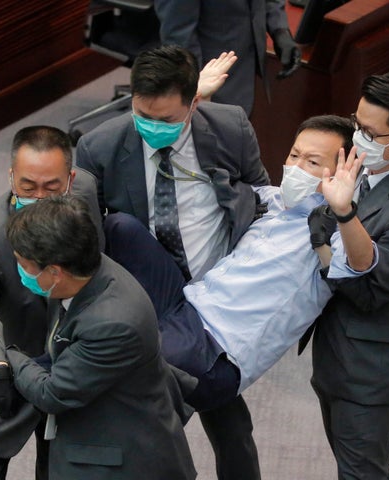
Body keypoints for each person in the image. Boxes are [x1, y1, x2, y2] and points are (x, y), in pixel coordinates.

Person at [76, 44, 269, 480]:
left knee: (231, 425)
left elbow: (261, 198)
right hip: (148, 304)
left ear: (194, 102)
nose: (150, 127)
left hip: (212, 303)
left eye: (164, 120)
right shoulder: (99, 147)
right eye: (141, 113)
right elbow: (90, 237)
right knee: (151, 422)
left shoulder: (231, 127)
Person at [105, 115, 361, 409]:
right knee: (119, 227)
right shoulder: (270, 198)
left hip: (213, 350)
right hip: (186, 304)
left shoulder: (335, 231)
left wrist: (343, 210)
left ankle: (53, 374)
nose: (296, 167)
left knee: (114, 358)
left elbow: (358, 269)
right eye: (294, 155)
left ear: (341, 172)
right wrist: (191, 105)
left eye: (312, 162)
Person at [0, 195, 196, 480]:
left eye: (23, 264)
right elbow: (58, 355)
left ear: (54, 271)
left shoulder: (112, 322)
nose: (20, 273)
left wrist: (7, 359)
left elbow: (51, 393)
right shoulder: (79, 274)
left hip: (124, 463)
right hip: (92, 438)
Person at [300, 71, 389, 479]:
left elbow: (368, 293)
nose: (356, 137)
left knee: (362, 473)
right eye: (356, 122)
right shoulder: (379, 162)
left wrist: (331, 235)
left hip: (367, 366)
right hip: (336, 350)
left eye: (368, 131)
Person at [0, 126, 104, 480]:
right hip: (7, 365)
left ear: (69, 181)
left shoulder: (85, 191)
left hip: (68, 369)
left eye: (51, 188)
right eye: (27, 188)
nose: (40, 197)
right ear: (11, 177)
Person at [154, 0, 302, 116]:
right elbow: (178, 35)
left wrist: (279, 30)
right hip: (207, 84)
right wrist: (195, 92)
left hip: (246, 74)